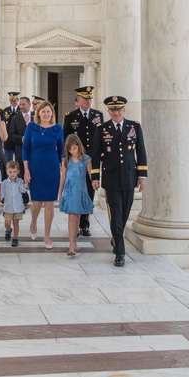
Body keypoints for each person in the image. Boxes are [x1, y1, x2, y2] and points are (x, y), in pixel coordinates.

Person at [91, 95, 147, 267]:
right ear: (108, 111)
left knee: (124, 214)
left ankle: (116, 239)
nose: (116, 113)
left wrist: (142, 176)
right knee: (115, 215)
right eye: (113, 110)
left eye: (119, 109)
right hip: (111, 178)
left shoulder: (134, 127)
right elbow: (95, 155)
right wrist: (95, 177)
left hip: (130, 177)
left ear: (124, 110)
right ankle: (120, 253)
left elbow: (141, 152)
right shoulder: (102, 128)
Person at [22, 100, 64, 249]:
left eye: (48, 111)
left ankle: (47, 235)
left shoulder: (58, 128)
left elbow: (61, 151)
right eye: (43, 111)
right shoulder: (32, 127)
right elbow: (26, 148)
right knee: (37, 201)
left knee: (50, 203)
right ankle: (33, 222)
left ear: (52, 113)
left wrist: (62, 169)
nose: (46, 114)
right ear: (38, 113)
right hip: (35, 167)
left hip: (51, 168)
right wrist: (26, 169)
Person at [63, 86, 103, 237]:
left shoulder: (97, 115)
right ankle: (76, 224)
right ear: (78, 100)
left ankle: (85, 224)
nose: (88, 102)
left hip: (91, 160)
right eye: (85, 99)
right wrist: (65, 159)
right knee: (76, 191)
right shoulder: (70, 116)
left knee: (89, 192)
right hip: (75, 161)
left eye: (90, 99)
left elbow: (100, 138)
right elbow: (66, 139)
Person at [58, 133, 94, 257]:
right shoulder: (65, 161)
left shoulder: (86, 159)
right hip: (69, 190)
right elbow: (62, 177)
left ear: (79, 146)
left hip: (81, 190)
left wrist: (96, 183)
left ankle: (74, 242)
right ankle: (71, 244)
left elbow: (91, 175)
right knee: (71, 216)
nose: (72, 151)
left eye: (75, 148)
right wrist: (60, 193)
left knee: (77, 216)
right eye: (70, 149)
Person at [0, 161, 29, 246]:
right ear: (7, 172)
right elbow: (2, 193)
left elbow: (23, 190)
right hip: (8, 207)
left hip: (18, 207)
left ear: (18, 171)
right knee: (7, 223)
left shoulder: (20, 181)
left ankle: (15, 238)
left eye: (14, 171)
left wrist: (26, 185)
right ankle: (8, 230)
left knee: (16, 223)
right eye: (10, 172)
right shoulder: (4, 183)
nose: (12, 174)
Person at [8, 96, 32, 161]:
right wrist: (22, 139)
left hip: (34, 152)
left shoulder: (36, 116)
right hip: (20, 153)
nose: (21, 106)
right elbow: (12, 134)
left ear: (29, 105)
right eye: (20, 104)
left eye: (23, 104)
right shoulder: (15, 118)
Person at [2, 91, 21, 162]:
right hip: (8, 141)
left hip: (18, 140)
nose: (12, 102)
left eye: (14, 100)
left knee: (19, 162)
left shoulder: (21, 110)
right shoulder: (5, 111)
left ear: (17, 100)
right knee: (8, 162)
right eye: (11, 100)